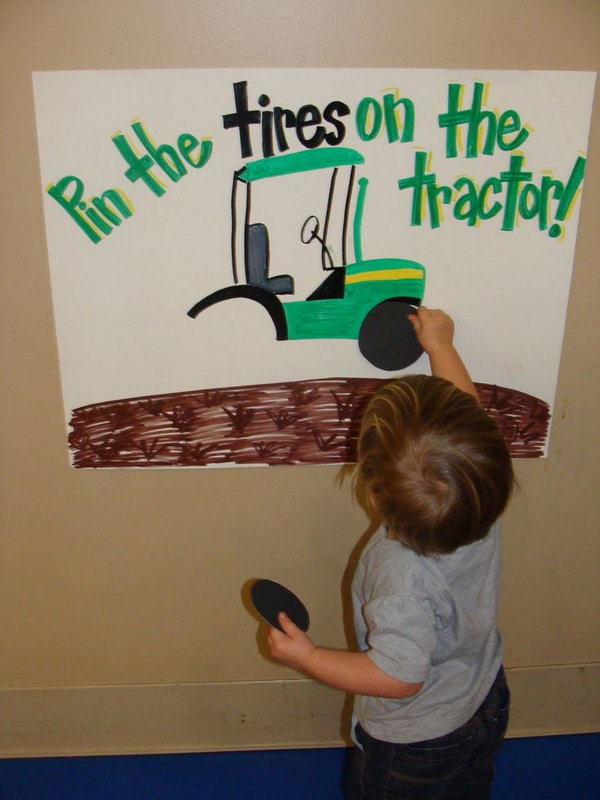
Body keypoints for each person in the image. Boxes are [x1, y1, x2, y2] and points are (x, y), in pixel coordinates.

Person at [266, 306, 514, 799]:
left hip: (417, 739)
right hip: (484, 695)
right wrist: (440, 346)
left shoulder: (400, 573)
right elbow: (467, 419)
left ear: (374, 495)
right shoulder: (475, 492)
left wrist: (310, 657)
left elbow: (399, 677)